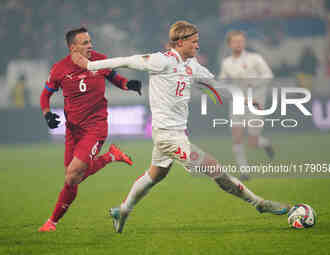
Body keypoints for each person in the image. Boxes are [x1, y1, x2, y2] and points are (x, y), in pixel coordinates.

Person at [71, 21, 290, 234]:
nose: (197, 45)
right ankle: (258, 203)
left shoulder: (192, 66)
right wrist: (90, 65)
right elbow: (127, 60)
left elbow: (217, 86)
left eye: (198, 41)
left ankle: (123, 210)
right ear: (180, 42)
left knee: (156, 174)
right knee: (214, 167)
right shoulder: (161, 61)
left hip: (177, 133)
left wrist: (246, 98)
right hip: (167, 136)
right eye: (194, 41)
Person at [38, 27, 142, 232]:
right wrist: (47, 114)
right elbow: (45, 96)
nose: (90, 46)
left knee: (73, 174)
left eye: (90, 41)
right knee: (72, 180)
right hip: (73, 130)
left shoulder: (99, 60)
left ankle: (51, 222)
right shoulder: (59, 69)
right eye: (85, 43)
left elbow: (115, 78)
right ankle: (111, 157)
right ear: (72, 47)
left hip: (95, 127)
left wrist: (128, 84)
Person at [219, 30, 275, 180]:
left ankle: (265, 143)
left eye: (241, 41)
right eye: (235, 41)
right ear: (229, 44)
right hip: (237, 103)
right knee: (236, 137)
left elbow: (268, 75)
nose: (238, 44)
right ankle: (244, 172)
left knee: (253, 142)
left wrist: (254, 83)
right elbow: (223, 82)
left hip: (256, 102)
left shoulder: (255, 59)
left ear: (244, 42)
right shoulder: (226, 63)